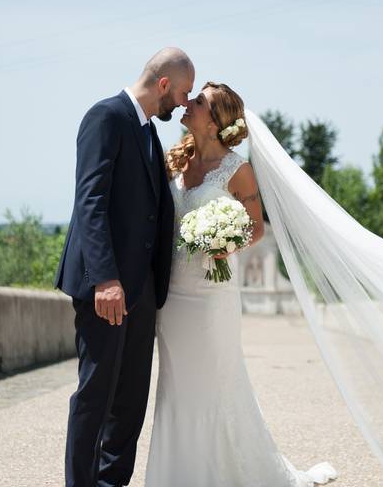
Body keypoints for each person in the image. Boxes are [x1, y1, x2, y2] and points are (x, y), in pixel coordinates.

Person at [144, 81, 337, 486]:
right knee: (176, 385)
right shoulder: (175, 161)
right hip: (173, 298)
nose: (187, 103)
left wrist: (222, 243)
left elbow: (255, 229)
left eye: (197, 102)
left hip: (212, 297)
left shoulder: (238, 169)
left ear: (214, 123)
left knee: (216, 383)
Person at [56, 47, 194, 487]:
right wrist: (106, 279)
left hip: (141, 291)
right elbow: (90, 201)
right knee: (95, 396)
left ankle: (112, 483)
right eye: (184, 92)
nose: (185, 103)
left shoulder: (148, 131)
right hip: (108, 289)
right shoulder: (106, 117)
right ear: (164, 84)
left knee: (131, 401)